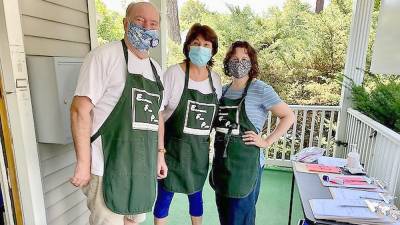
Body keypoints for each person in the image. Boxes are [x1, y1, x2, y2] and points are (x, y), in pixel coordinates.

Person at [70, 2, 163, 225]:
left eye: (152, 23)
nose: (146, 26)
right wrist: (83, 163)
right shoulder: (104, 57)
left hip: (142, 168)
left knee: (134, 221)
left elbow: (157, 116)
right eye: (139, 20)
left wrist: (160, 153)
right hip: (107, 167)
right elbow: (79, 110)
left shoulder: (156, 70)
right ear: (125, 23)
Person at [209, 41, 295, 225]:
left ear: (252, 62)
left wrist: (266, 141)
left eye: (244, 59)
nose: (239, 63)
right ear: (227, 62)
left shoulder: (260, 89)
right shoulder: (222, 91)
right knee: (225, 216)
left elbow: (288, 116)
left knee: (242, 218)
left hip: (246, 167)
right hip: (223, 166)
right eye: (234, 59)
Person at [154, 23, 222, 225]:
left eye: (207, 44)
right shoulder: (174, 74)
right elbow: (158, 113)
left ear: (213, 49)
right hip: (172, 151)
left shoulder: (215, 80)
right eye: (196, 43)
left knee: (196, 198)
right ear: (188, 46)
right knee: (164, 198)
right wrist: (159, 152)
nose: (201, 48)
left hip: (198, 152)